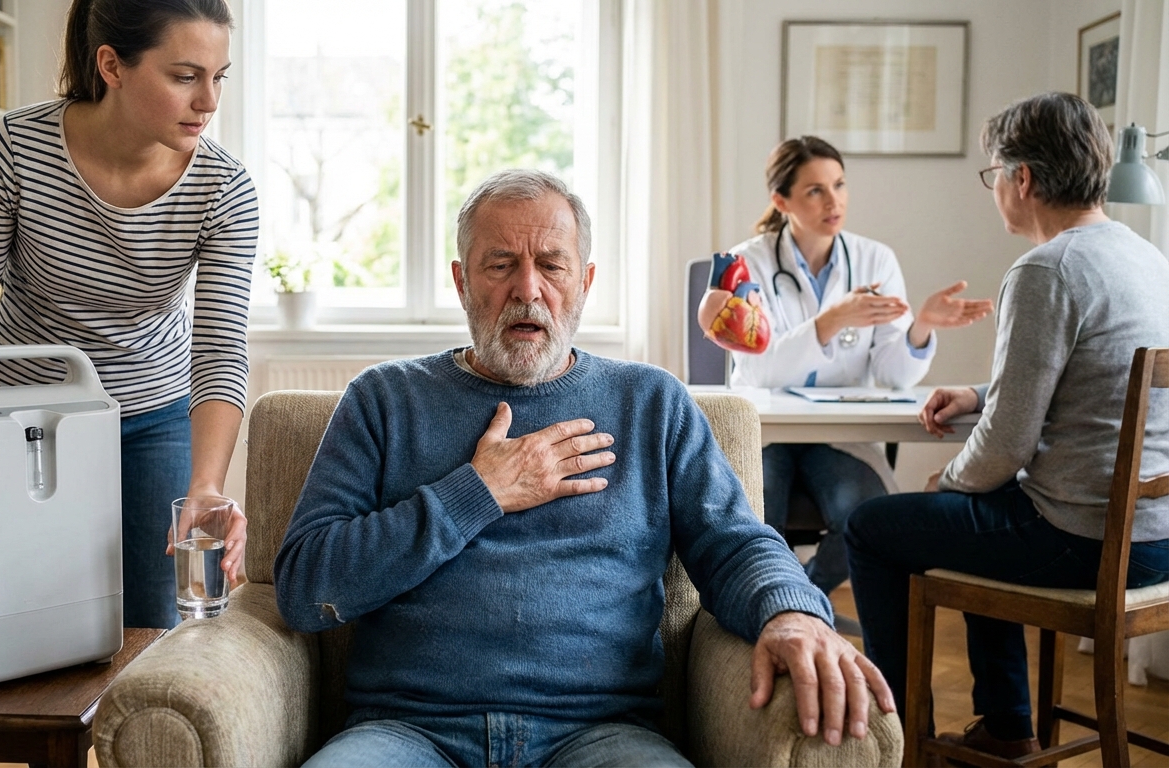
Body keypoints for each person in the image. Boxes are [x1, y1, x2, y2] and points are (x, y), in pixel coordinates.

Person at [274, 169, 894, 767]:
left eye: (552, 265)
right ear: (461, 282)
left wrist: (790, 612)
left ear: (586, 281)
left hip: (599, 733)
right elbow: (305, 588)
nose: (527, 289)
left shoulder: (650, 403)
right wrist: (477, 493)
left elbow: (735, 545)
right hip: (408, 730)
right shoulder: (384, 400)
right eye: (500, 265)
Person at [845, 92, 1169, 761]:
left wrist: (948, 481)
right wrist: (980, 392)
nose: (995, 189)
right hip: (1158, 538)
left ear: (1022, 178)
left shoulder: (1048, 269)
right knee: (981, 506)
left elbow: (1007, 445)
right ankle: (1006, 724)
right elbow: (1093, 378)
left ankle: (893, 735)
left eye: (994, 174)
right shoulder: (1147, 258)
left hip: (1086, 539)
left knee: (873, 526)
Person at [0, 0, 256, 630]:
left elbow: (220, 350)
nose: (208, 101)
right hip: (25, 415)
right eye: (185, 76)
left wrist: (207, 487)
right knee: (32, 619)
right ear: (112, 66)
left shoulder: (224, 188)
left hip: (154, 411)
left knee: (154, 626)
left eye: (219, 77)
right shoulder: (15, 149)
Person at [704, 136, 992, 608]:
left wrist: (920, 327)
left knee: (869, 515)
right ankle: (779, 608)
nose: (833, 201)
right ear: (782, 201)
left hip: (837, 434)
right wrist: (831, 321)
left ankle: (797, 602)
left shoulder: (875, 260)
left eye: (839, 185)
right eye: (815, 190)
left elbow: (893, 377)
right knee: (753, 519)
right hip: (765, 431)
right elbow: (757, 371)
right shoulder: (747, 263)